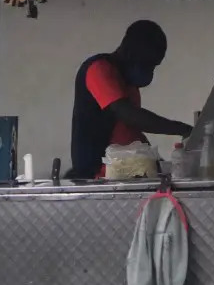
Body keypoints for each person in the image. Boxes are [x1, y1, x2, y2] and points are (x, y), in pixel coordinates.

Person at [67, 20, 193, 180]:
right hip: (99, 174)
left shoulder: (128, 83)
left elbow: (130, 131)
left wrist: (155, 161)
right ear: (130, 53)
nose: (150, 72)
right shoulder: (99, 70)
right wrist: (181, 128)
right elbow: (130, 116)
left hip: (126, 172)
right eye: (148, 65)